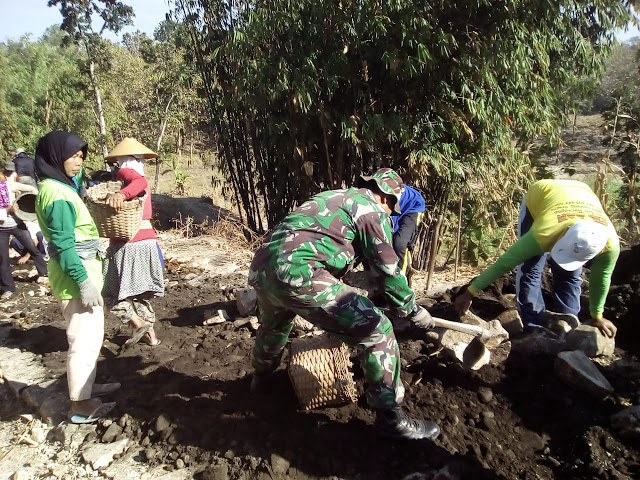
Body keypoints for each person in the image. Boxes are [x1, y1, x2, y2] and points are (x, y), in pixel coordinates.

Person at [248, 168, 440, 441]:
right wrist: (412, 309)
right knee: (378, 330)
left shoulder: (336, 196)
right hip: (300, 274)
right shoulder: (372, 211)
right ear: (388, 198)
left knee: (274, 325)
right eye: (393, 208)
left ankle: (261, 382)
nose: (391, 214)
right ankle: (391, 418)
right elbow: (387, 271)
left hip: (263, 269)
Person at [454, 179, 620, 337]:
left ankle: (569, 324)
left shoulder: (609, 246)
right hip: (542, 194)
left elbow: (601, 279)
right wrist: (470, 292)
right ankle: (532, 323)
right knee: (531, 267)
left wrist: (597, 315)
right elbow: (506, 262)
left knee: (570, 274)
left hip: (582, 192)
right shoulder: (543, 233)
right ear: (563, 238)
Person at [35, 131, 119, 424]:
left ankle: (87, 386)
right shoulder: (57, 194)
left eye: (82, 156)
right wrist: (83, 281)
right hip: (75, 275)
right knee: (84, 338)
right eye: (73, 156)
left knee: (91, 336)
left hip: (80, 270)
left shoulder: (59, 187)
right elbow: (62, 244)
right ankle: (81, 405)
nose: (79, 162)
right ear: (56, 156)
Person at [102, 138, 164, 349]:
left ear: (122, 160)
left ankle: (137, 323)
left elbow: (139, 183)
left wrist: (121, 193)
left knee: (109, 292)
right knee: (138, 294)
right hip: (147, 242)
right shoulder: (140, 176)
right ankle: (152, 338)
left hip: (127, 243)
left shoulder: (125, 174)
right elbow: (142, 184)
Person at [0, 161, 48, 298]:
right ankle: (8, 288)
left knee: (32, 249)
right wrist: (7, 209)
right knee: (3, 258)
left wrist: (27, 200)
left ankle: (43, 273)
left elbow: (32, 189)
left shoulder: (8, 186)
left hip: (16, 224)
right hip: (1, 228)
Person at [391, 185, 425, 285]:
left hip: (412, 207)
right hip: (393, 209)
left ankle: (402, 282)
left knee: (400, 243)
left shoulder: (413, 198)